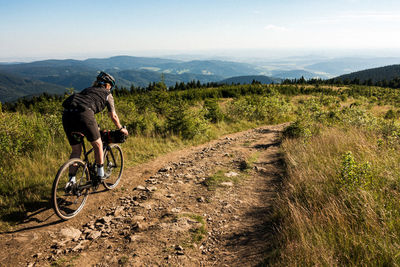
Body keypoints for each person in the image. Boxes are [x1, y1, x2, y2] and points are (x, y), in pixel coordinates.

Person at [62, 71, 128, 187]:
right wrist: (121, 128)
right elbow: (113, 116)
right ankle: (100, 175)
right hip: (84, 115)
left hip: (67, 115)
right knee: (98, 145)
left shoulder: (87, 90)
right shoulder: (107, 94)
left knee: (76, 151)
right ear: (108, 85)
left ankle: (71, 181)